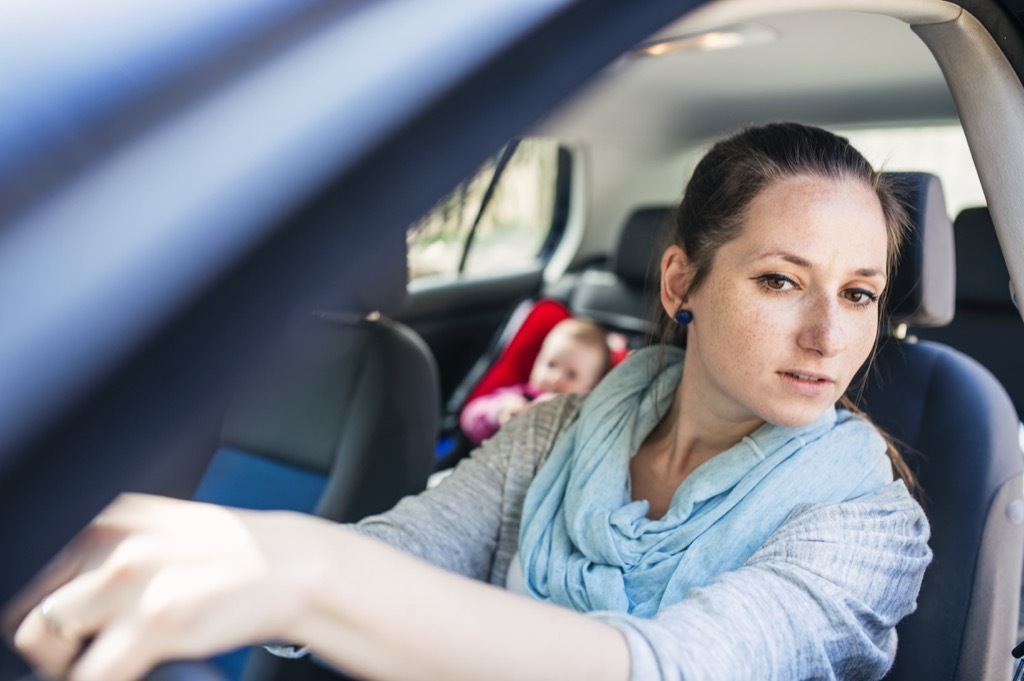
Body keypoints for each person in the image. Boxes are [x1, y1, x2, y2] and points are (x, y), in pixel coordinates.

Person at [3, 122, 932, 681]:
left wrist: (302, 574)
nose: (828, 335)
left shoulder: (868, 524)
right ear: (681, 282)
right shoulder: (559, 432)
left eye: (859, 294)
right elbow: (399, 552)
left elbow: (669, 668)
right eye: (782, 281)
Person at [460, 317, 612, 445]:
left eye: (572, 375)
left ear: (593, 387)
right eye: (551, 364)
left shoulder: (586, 419)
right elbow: (469, 417)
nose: (555, 378)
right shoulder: (521, 396)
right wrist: (498, 412)